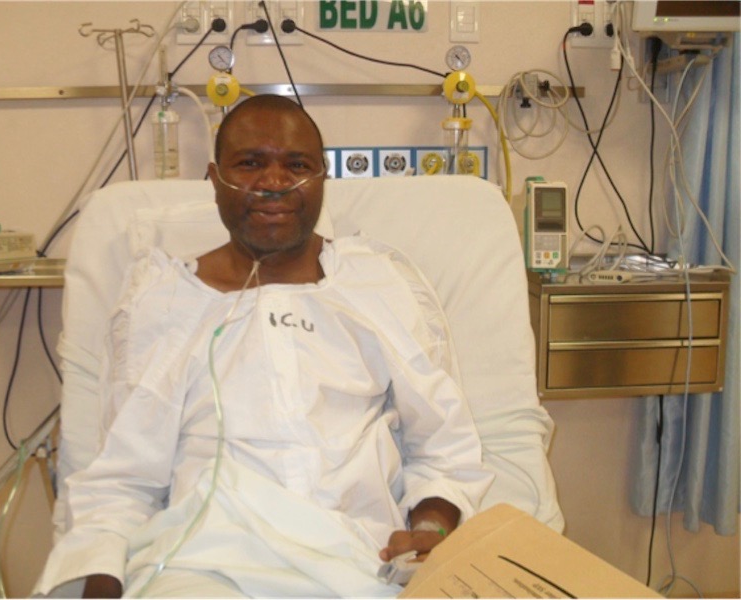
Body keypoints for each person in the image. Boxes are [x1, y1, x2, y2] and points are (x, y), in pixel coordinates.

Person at [34, 94, 494, 598]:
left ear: (322, 178)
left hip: (362, 564)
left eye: (297, 165)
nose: (275, 182)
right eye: (250, 163)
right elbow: (124, 479)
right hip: (203, 566)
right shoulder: (165, 301)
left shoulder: (375, 285)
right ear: (214, 179)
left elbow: (442, 448)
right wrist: (102, 578)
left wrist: (429, 532)